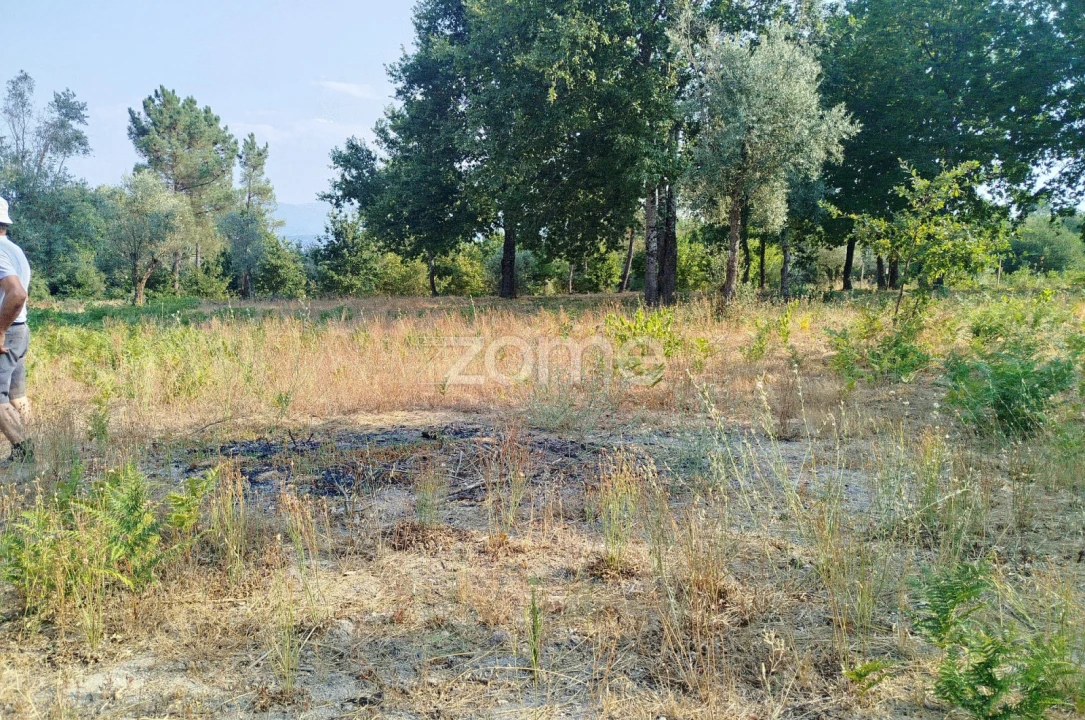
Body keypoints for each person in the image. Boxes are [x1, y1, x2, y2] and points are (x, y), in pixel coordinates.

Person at [0, 196, 32, 463]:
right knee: (16, 393)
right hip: (20, 329)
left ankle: (25, 452)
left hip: (7, 333)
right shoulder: (14, 249)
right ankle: (29, 446)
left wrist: (0, 329)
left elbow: (17, 293)